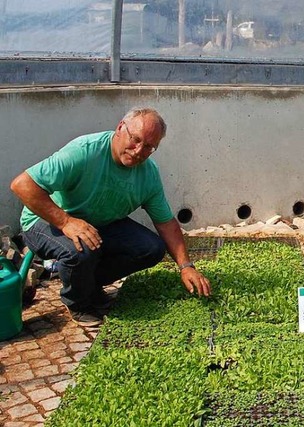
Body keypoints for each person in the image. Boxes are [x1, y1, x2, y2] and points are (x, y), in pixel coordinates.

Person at [10, 107, 211, 327]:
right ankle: (78, 303)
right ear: (120, 128)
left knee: (151, 248)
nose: (137, 151)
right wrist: (66, 222)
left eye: (149, 147)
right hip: (44, 221)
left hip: (98, 222)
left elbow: (165, 222)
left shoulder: (148, 174)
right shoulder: (85, 151)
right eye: (135, 140)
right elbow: (22, 185)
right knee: (81, 251)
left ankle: (87, 283)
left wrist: (186, 266)